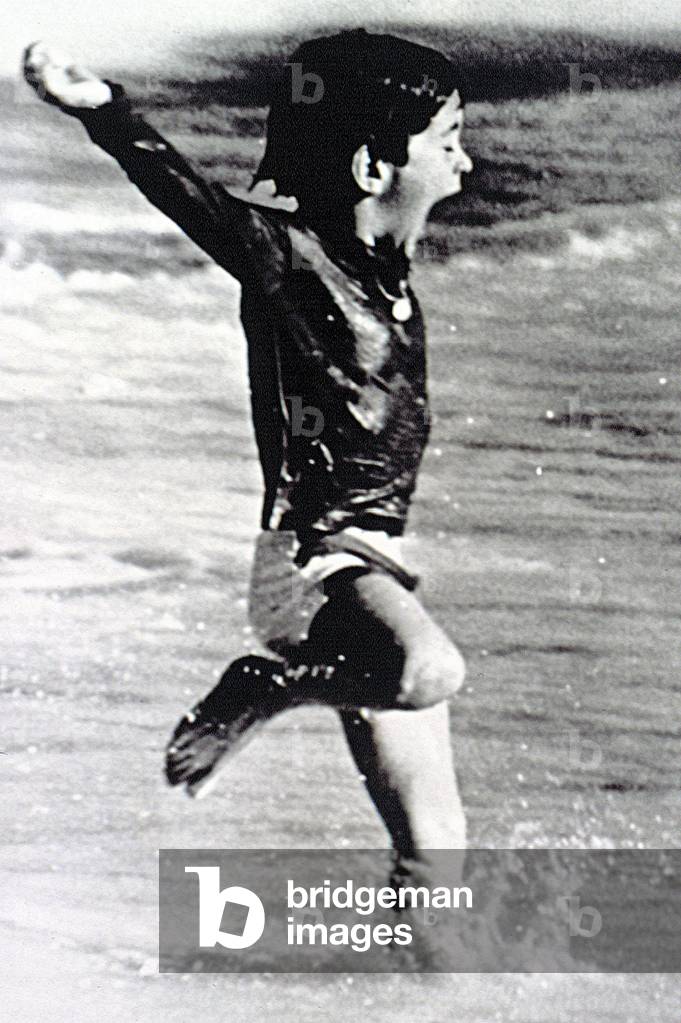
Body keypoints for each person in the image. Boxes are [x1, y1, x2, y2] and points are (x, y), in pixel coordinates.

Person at [24, 29, 473, 884]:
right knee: (428, 668)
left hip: (376, 564)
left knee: (436, 845)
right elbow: (199, 205)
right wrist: (108, 112)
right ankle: (264, 687)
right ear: (372, 167)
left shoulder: (386, 267)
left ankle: (411, 968)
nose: (465, 162)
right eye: (446, 141)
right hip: (316, 562)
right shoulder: (288, 259)